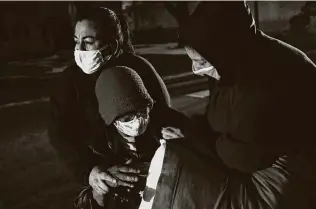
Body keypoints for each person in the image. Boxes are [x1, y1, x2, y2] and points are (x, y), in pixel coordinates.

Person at [179, 1, 316, 209]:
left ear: (223, 49)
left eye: (201, 62)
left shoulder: (266, 78)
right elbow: (215, 119)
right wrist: (196, 133)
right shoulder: (229, 65)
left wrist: (202, 139)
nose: (195, 69)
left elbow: (244, 157)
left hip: (297, 178)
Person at [48, 7, 170, 182]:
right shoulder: (69, 81)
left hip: (149, 168)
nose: (80, 49)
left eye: (88, 41)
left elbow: (164, 115)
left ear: (112, 45)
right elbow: (59, 133)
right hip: (104, 175)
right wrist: (90, 170)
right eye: (76, 41)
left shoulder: (138, 69)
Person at [74, 66, 205, 209]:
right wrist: (100, 189)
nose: (137, 121)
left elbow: (209, 170)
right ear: (111, 121)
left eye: (142, 111)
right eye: (127, 118)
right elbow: (85, 202)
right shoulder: (98, 145)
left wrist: (188, 148)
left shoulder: (171, 122)